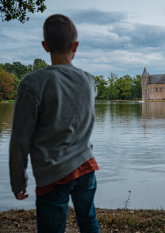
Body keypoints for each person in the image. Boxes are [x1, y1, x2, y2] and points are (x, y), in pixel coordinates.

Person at [9, 14, 99, 233]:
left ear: (45, 46)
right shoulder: (88, 80)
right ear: (75, 45)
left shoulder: (32, 83)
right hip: (86, 167)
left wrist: (18, 180)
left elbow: (20, 139)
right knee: (88, 222)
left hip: (53, 172)